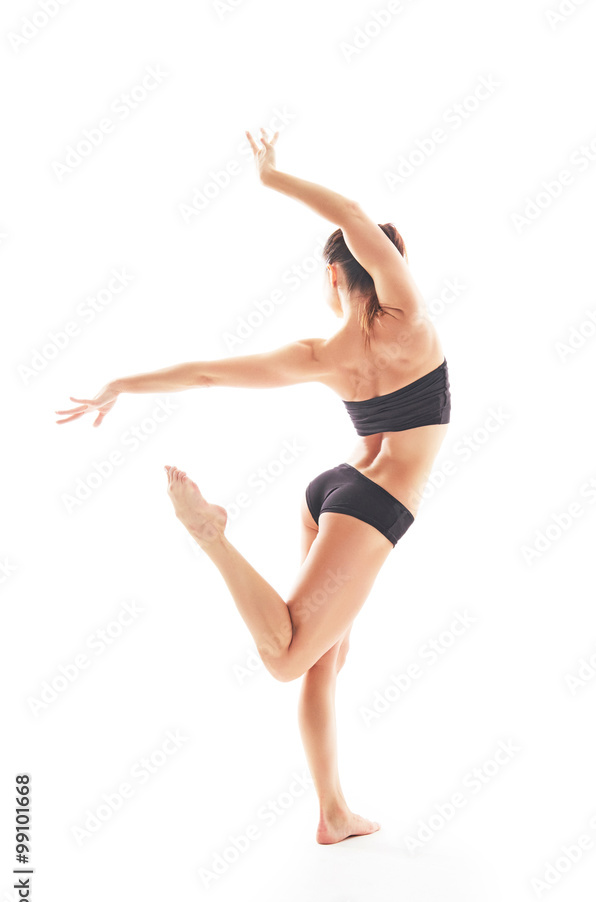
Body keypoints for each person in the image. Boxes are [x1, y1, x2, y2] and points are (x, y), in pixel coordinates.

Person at [55, 126, 451, 845]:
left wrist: (121, 383)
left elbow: (206, 373)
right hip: (374, 507)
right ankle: (212, 537)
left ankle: (334, 815)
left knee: (325, 659)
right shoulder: (412, 329)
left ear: (335, 278)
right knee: (288, 658)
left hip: (333, 493)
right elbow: (357, 221)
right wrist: (275, 180)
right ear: (386, 267)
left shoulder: (319, 354)